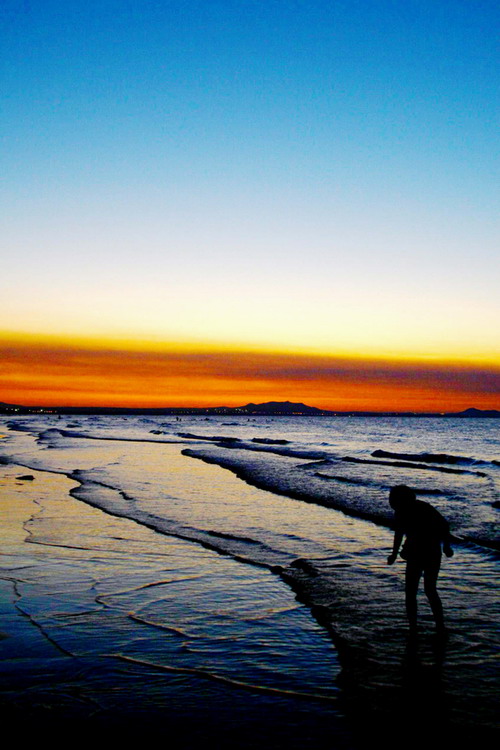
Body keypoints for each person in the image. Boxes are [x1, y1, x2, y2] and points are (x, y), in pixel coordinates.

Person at [387, 484, 453, 634]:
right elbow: (444, 525)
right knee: (427, 590)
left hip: (423, 552)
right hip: (428, 552)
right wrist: (446, 546)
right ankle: (436, 626)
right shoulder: (410, 510)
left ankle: (418, 626)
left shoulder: (417, 509)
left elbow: (443, 525)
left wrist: (446, 546)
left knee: (415, 591)